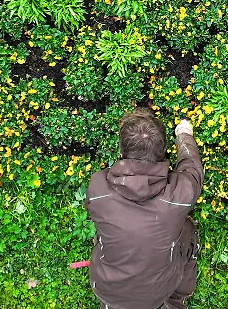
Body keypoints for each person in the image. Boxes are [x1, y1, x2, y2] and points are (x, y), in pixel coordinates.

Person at [85, 107, 203, 309]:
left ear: (122, 152)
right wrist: (184, 136)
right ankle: (175, 300)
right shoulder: (178, 196)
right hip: (158, 293)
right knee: (188, 231)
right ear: (163, 152)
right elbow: (192, 171)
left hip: (105, 287)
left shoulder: (98, 188)